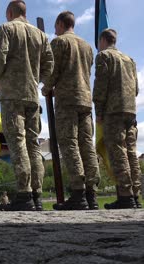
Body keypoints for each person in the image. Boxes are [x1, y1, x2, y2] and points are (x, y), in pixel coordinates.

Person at [0, 0, 54, 211]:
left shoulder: (6, 28)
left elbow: (0, 56)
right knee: (33, 144)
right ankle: (37, 195)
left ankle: (24, 194)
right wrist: (37, 80)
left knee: (17, 143)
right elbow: (49, 65)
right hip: (31, 95)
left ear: (9, 12)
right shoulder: (41, 35)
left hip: (11, 95)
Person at [42, 11, 101, 210]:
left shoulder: (59, 43)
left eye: (55, 26)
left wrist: (46, 88)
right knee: (87, 145)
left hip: (67, 99)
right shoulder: (87, 46)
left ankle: (78, 192)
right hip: (85, 99)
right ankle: (91, 193)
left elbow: (52, 71)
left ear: (60, 24)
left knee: (69, 144)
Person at [93, 29, 140, 209]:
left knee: (118, 151)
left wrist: (99, 111)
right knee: (131, 153)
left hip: (113, 111)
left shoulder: (104, 56)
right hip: (130, 110)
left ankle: (125, 196)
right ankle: (135, 194)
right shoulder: (130, 60)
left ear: (103, 40)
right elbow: (135, 88)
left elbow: (100, 86)